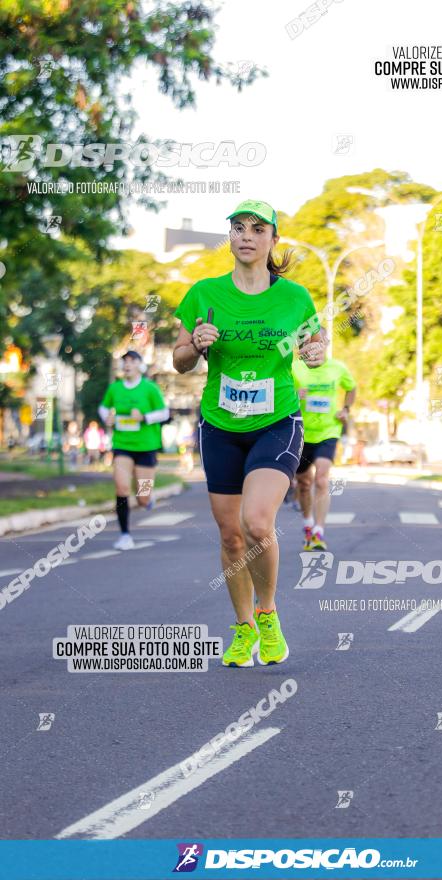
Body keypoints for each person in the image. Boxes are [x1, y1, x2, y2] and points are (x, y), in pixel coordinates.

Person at [173, 199, 325, 668]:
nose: (246, 235)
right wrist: (194, 347)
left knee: (257, 523)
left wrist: (316, 353)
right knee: (230, 536)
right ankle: (242, 628)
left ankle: (267, 613)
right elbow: (178, 360)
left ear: (272, 240)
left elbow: (315, 343)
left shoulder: (295, 297)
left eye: (257, 229)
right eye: (238, 227)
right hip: (220, 425)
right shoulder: (204, 293)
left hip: (277, 421)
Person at [98, 350, 169, 549]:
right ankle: (124, 535)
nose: (127, 365)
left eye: (132, 361)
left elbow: (164, 412)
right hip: (122, 445)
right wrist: (107, 418)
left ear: (139, 365)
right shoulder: (115, 388)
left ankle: (147, 499)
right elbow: (103, 408)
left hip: (146, 446)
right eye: (125, 361)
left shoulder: (150, 388)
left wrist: (144, 417)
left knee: (142, 498)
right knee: (121, 487)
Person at [293, 356, 356, 549]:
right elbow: (277, 390)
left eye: (318, 341)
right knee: (304, 484)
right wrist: (294, 394)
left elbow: (351, 387)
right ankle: (308, 526)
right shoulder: (293, 367)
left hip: (328, 431)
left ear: (325, 342)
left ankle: (319, 532)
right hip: (301, 431)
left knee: (321, 479)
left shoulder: (338, 367)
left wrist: (346, 409)